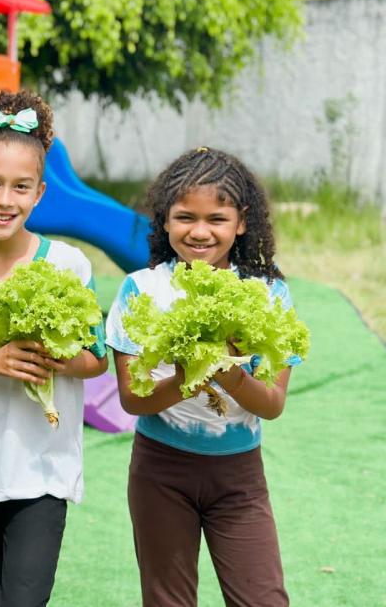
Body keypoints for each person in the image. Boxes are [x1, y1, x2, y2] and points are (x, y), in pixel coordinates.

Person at [0, 90, 108, 607]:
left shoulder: (68, 264)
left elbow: (96, 359)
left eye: (20, 187)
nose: (4, 200)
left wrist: (47, 354)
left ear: (39, 193)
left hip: (44, 472)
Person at [107, 146, 301, 607]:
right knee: (167, 600)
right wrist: (186, 379)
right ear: (165, 221)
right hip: (160, 470)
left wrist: (229, 374)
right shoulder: (141, 289)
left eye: (216, 218)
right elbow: (133, 400)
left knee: (264, 598)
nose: (199, 231)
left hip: (239, 477)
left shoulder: (269, 294)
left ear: (241, 221)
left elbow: (272, 405)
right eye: (184, 217)